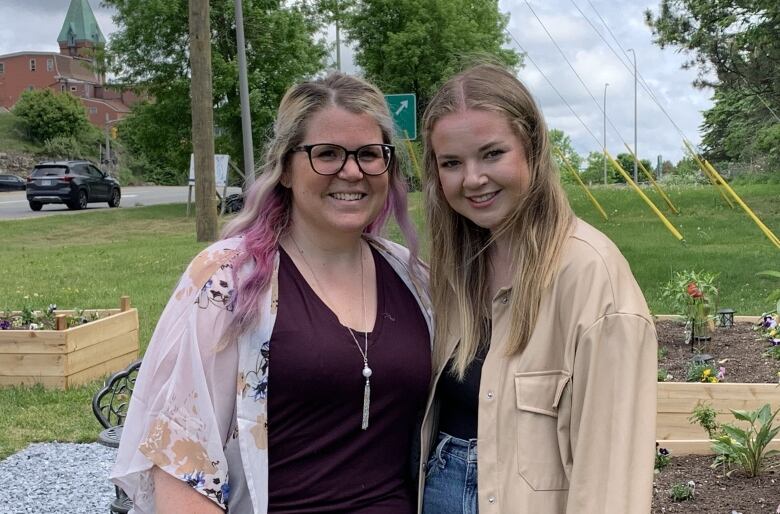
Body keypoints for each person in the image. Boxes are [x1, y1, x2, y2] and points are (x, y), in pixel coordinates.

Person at [111, 72, 433, 513]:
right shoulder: (227, 280)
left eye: (370, 155)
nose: (352, 171)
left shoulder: (414, 280)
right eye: (327, 154)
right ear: (284, 167)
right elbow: (179, 461)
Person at [417, 62, 657, 513]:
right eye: (452, 163)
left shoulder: (590, 275)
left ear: (531, 147)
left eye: (492, 154)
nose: (472, 179)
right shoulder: (456, 268)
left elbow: (612, 482)